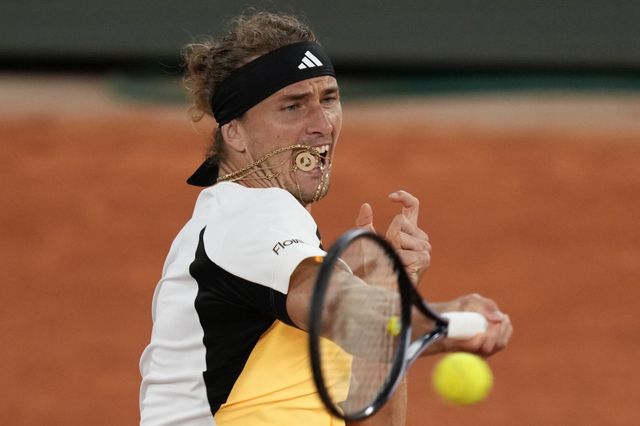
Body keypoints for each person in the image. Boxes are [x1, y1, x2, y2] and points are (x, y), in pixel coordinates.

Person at [139, 10, 512, 426]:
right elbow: (336, 307)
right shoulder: (246, 218)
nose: (323, 125)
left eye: (329, 99)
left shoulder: (282, 252)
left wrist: (390, 292)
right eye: (292, 106)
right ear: (235, 132)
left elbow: (370, 414)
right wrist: (442, 322)